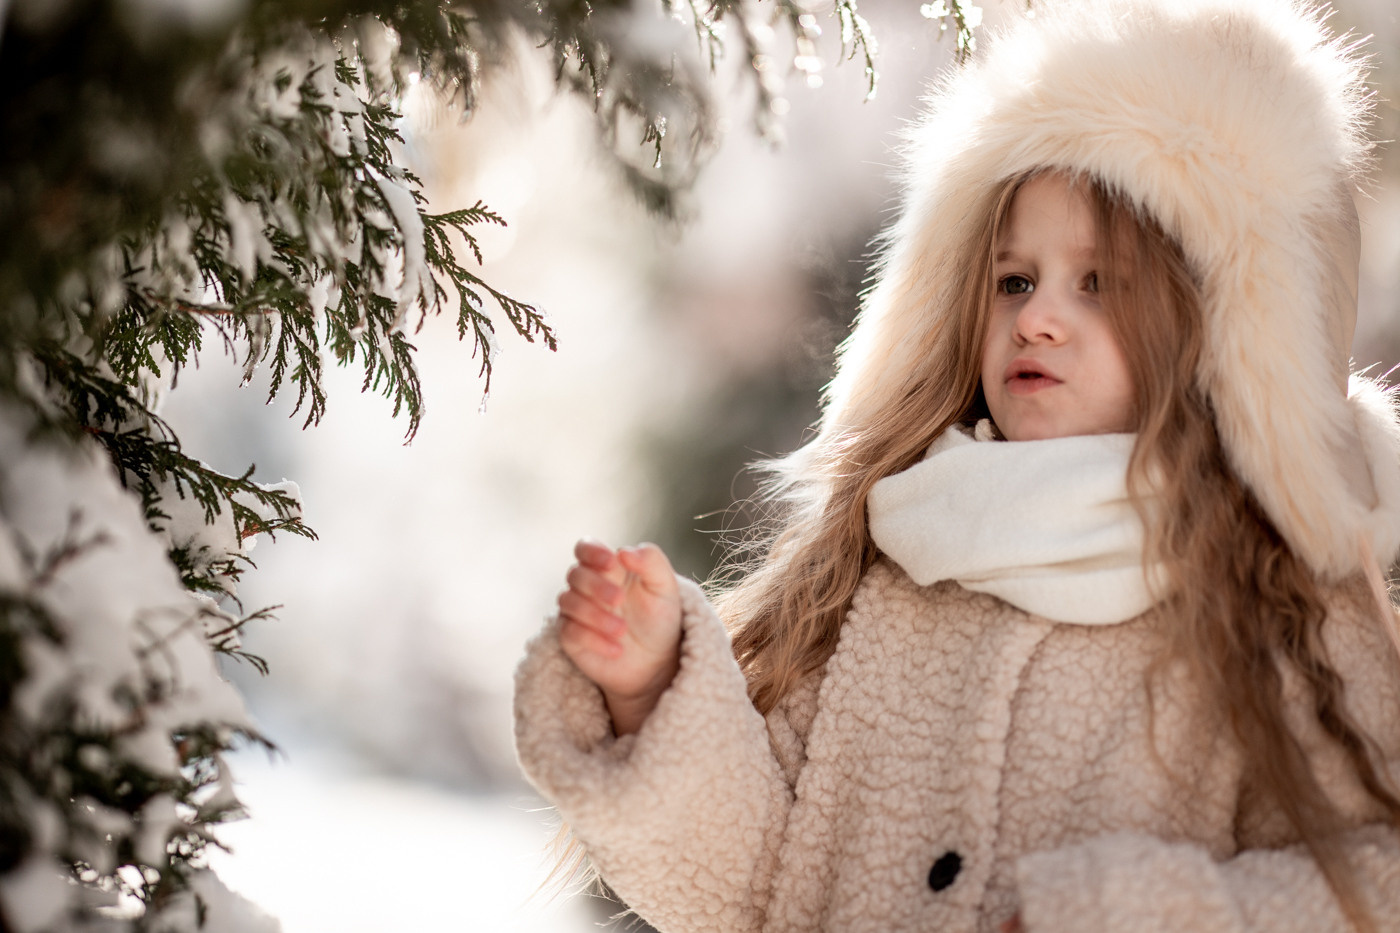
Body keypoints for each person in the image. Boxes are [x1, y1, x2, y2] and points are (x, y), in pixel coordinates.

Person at [513, 0, 1400, 930]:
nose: (1038, 317)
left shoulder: (1282, 608)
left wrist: (1111, 913)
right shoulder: (896, 564)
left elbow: (1372, 883)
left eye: (1099, 284)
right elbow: (757, 882)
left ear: (1227, 331)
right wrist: (650, 686)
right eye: (1015, 280)